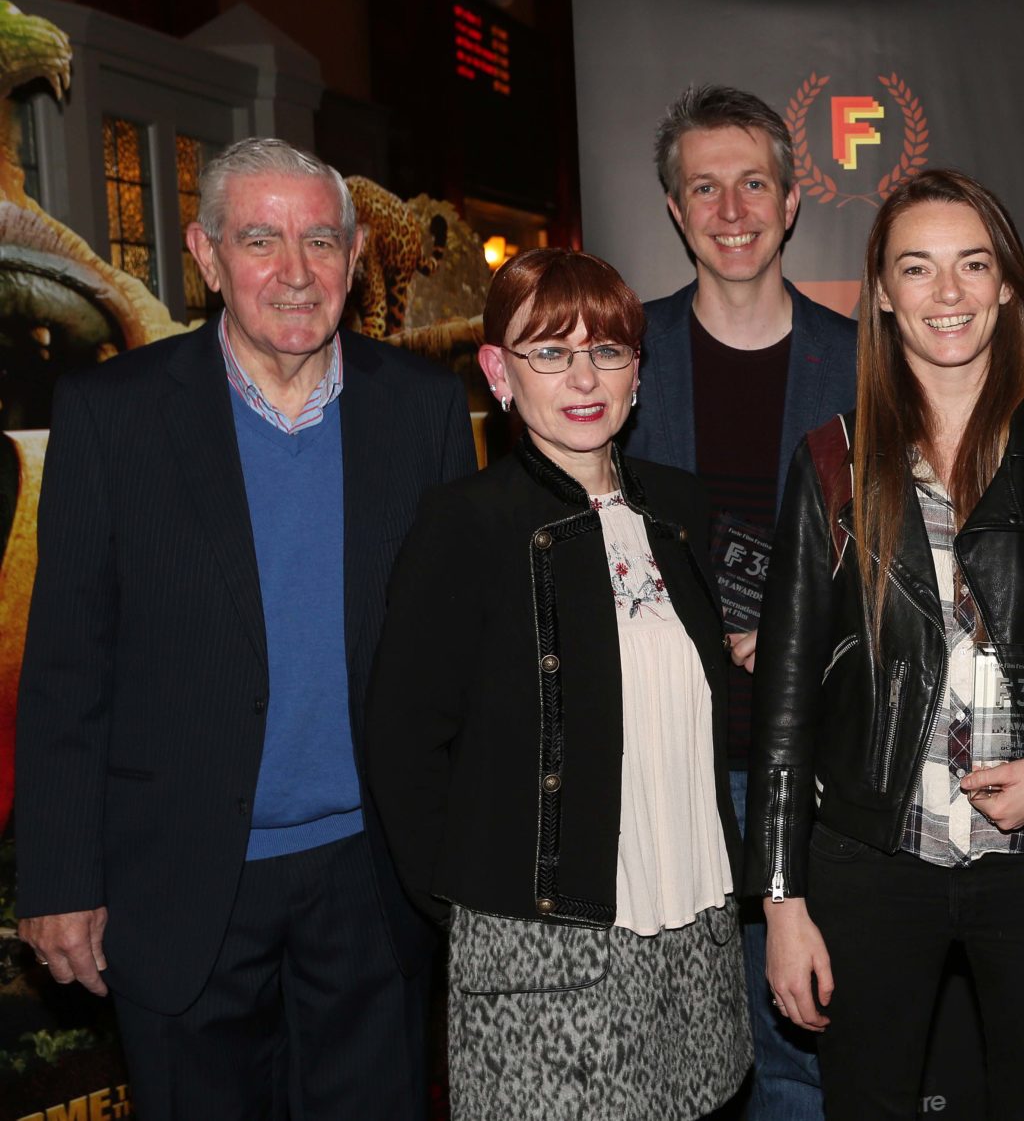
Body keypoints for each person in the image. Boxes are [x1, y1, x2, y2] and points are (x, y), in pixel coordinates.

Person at [12, 137, 474, 1117]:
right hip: (178, 879)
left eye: (320, 240)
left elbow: (459, 653)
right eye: (260, 240)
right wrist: (58, 875)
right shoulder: (112, 415)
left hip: (373, 879)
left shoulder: (424, 410)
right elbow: (65, 665)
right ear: (207, 257)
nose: (296, 272)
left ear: (354, 259)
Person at [746, 168, 1024, 1120]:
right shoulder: (832, 460)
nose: (946, 294)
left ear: (1006, 286)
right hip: (871, 861)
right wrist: (782, 905)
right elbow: (783, 698)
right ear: (881, 293)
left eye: (971, 265)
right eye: (917, 268)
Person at [365, 248, 748, 1117]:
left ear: (637, 374)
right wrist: (479, 912)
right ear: (500, 371)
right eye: (550, 350)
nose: (583, 376)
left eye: (607, 351)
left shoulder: (679, 513)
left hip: (693, 928)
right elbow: (403, 741)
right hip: (542, 943)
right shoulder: (464, 524)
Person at [629, 83, 858, 1118]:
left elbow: (912, 556)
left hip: (811, 762)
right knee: (668, 1050)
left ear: (791, 199)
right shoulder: (617, 357)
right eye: (704, 188)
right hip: (658, 761)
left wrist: (808, 627)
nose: (730, 210)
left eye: (752, 184)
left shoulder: (865, 363)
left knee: (799, 1047)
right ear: (675, 210)